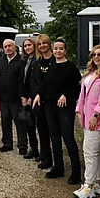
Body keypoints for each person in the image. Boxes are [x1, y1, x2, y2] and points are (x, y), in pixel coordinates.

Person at [33, 37, 81, 185]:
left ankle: (76, 171)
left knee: (68, 138)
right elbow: (45, 85)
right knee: (54, 137)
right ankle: (58, 166)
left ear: (65, 51)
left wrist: (66, 94)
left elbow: (77, 87)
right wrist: (38, 95)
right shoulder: (51, 66)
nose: (58, 51)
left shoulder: (71, 68)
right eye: (56, 49)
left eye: (61, 48)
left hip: (64, 108)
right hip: (50, 106)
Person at [73, 45, 100, 198]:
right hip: (87, 116)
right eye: (94, 54)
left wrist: (97, 115)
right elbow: (83, 94)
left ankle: (88, 185)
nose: (97, 57)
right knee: (97, 151)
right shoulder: (91, 73)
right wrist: (79, 109)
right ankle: (98, 182)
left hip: (97, 119)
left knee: (89, 151)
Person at [0, 39, 24, 153]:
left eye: (9, 46)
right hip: (3, 98)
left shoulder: (21, 61)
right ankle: (7, 143)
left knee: (20, 122)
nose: (7, 48)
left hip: (16, 98)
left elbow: (22, 80)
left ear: (15, 47)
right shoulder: (1, 61)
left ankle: (22, 145)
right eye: (5, 46)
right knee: (5, 121)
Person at [30, 34, 54, 170]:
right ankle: (46, 157)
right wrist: (37, 93)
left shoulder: (56, 61)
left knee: (54, 133)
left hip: (53, 102)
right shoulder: (36, 63)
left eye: (44, 43)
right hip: (40, 102)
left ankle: (58, 160)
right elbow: (33, 81)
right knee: (42, 131)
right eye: (39, 44)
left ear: (49, 44)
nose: (42, 46)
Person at [18, 37, 39, 159]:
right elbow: (21, 80)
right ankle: (34, 148)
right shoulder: (25, 61)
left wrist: (32, 96)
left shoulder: (37, 60)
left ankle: (43, 151)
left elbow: (36, 81)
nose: (27, 48)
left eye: (29, 45)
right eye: (25, 46)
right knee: (29, 125)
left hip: (35, 98)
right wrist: (23, 97)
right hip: (26, 98)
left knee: (38, 126)